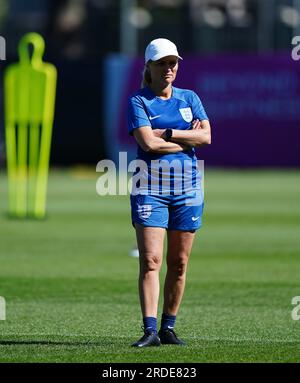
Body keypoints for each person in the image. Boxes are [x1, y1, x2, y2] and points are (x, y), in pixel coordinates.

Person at [127, 38, 211, 347]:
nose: (169, 68)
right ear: (148, 67)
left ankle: (168, 328)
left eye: (173, 62)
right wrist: (189, 140)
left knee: (179, 263)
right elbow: (149, 144)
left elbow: (208, 137)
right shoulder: (138, 101)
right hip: (149, 188)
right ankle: (149, 330)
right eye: (162, 63)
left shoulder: (190, 97)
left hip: (187, 189)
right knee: (151, 260)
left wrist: (172, 133)